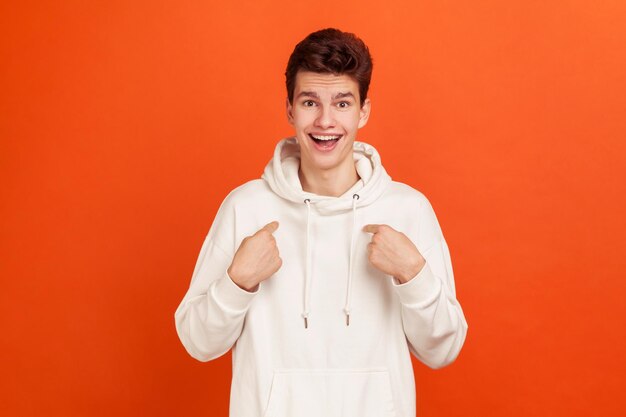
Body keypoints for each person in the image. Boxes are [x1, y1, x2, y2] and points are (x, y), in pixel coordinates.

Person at [174, 27, 468, 417]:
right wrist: (236, 282)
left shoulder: (407, 210)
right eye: (310, 102)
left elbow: (442, 350)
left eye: (343, 104)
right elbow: (198, 342)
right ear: (290, 109)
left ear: (364, 110)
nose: (326, 121)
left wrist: (414, 274)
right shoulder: (245, 208)